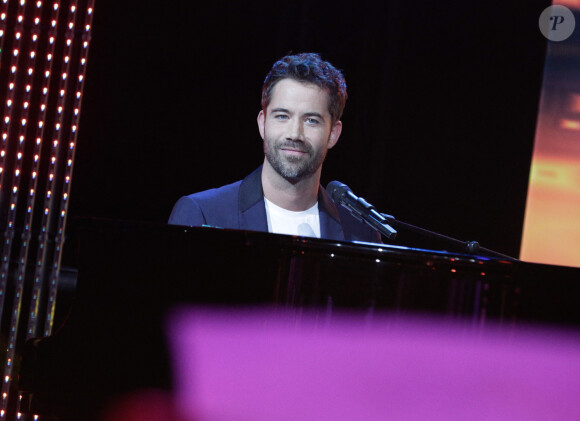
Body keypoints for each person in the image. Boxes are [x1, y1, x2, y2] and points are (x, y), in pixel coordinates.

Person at [169, 52, 380, 243]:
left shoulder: (361, 231)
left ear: (333, 134)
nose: (295, 134)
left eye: (311, 120)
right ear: (262, 123)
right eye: (282, 116)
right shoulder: (203, 213)